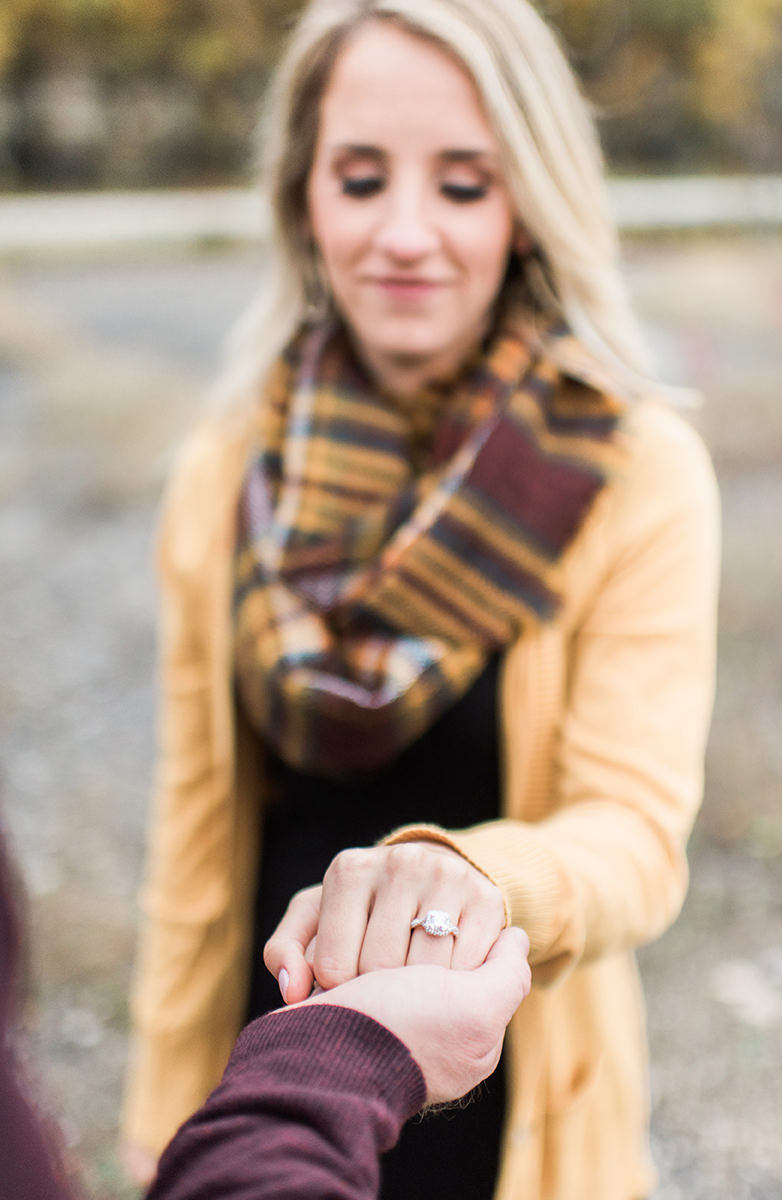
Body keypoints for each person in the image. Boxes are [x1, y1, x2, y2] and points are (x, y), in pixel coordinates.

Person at [121, 1, 720, 1197]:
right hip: (276, 1082)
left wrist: (471, 881)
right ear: (302, 196)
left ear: (531, 200)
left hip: (511, 1097)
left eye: (462, 185)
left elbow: (636, 834)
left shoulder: (636, 469)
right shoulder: (224, 469)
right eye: (359, 178)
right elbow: (196, 834)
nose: (404, 234)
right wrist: (161, 1115)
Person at [0, 817, 531, 1200]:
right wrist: (341, 1047)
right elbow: (191, 831)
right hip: (294, 978)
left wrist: (484, 882)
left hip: (446, 1006)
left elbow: (615, 822)